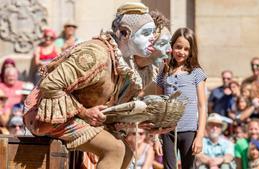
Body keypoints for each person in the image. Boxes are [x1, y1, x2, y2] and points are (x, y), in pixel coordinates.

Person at [23, 3, 170, 169]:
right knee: (114, 149)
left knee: (127, 152)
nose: (152, 39)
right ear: (124, 33)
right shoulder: (96, 54)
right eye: (146, 33)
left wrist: (146, 123)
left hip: (74, 115)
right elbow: (51, 85)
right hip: (44, 114)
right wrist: (84, 112)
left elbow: (113, 107)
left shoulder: (127, 65)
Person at [152, 27, 207, 169]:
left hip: (189, 130)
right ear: (172, 46)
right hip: (167, 131)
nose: (181, 52)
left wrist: (199, 136)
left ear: (191, 51)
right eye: (178, 47)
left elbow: (202, 106)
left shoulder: (196, 73)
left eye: (186, 49)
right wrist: (156, 137)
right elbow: (158, 106)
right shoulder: (163, 71)